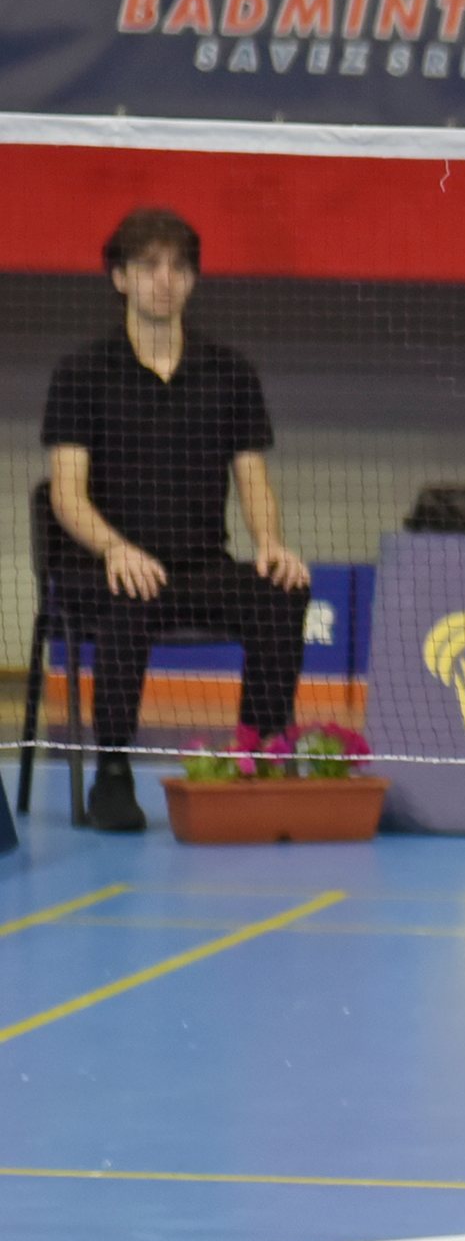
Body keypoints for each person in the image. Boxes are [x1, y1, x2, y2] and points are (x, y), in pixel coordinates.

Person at [40, 208, 311, 834]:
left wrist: (271, 543)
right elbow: (66, 495)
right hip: (103, 568)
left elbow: (253, 479)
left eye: (179, 268)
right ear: (120, 278)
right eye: (149, 267)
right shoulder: (81, 373)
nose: (165, 280)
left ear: (192, 280)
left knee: (281, 593)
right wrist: (115, 549)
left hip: (198, 566)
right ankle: (113, 775)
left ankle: (258, 762)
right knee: (129, 597)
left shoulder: (230, 372)